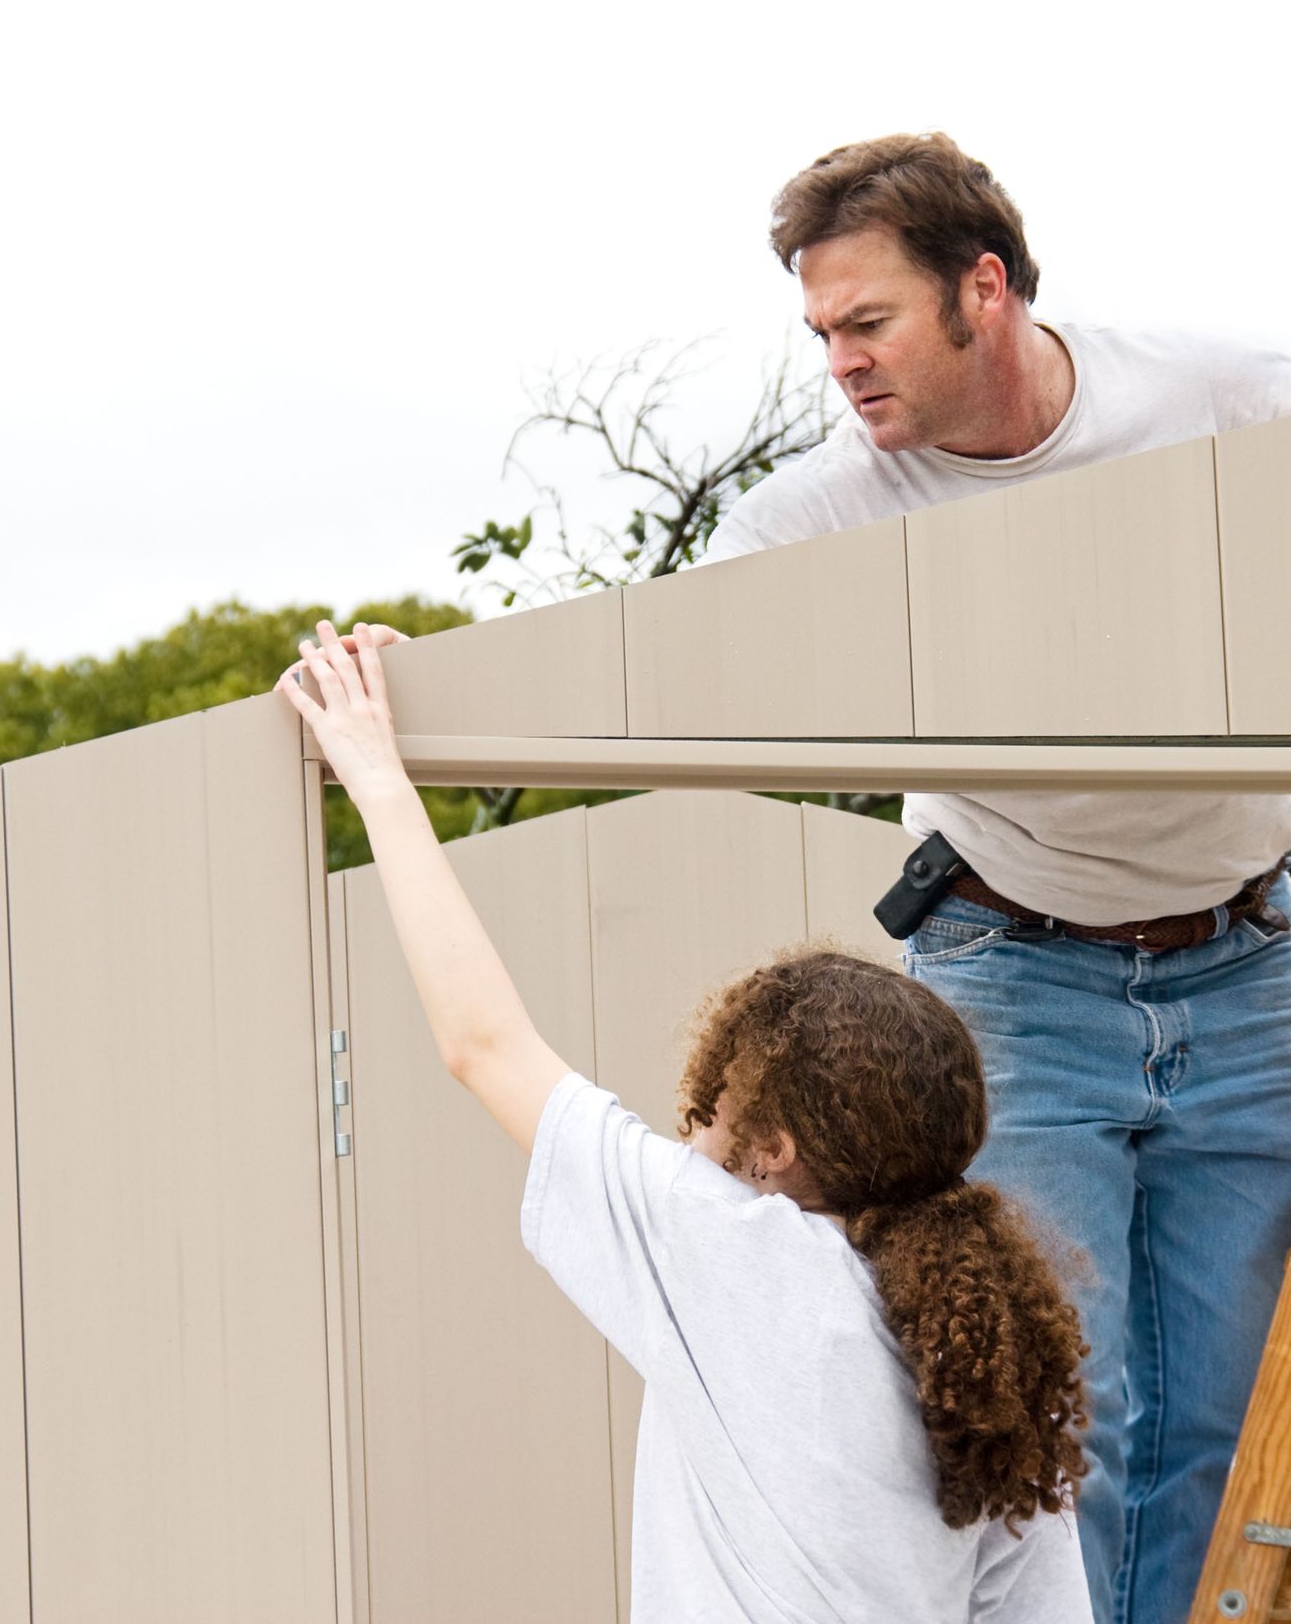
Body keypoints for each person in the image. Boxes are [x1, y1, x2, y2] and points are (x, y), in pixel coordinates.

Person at [697, 133, 1291, 1624]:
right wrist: (413, 684)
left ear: (980, 291)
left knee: (1236, 1416)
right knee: (1067, 1407)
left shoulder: (1203, 394)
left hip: (1240, 968)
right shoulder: (825, 508)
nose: (841, 367)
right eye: (821, 336)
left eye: (866, 325)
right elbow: (645, 652)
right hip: (1012, 974)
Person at [275, 621, 1093, 1623]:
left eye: (703, 1121)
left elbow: (481, 1044)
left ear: (772, 1155)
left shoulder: (732, 1252)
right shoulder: (1000, 1359)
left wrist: (374, 771)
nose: (681, 1146)